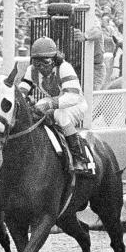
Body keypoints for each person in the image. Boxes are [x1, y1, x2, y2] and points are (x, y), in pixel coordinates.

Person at [19, 37, 91, 173]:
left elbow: (73, 97)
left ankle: (79, 157)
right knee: (34, 111)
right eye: (37, 63)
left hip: (75, 104)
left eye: (45, 62)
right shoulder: (31, 70)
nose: (41, 68)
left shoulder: (64, 68)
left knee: (60, 114)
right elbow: (23, 89)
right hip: (54, 102)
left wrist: (49, 105)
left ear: (54, 59)